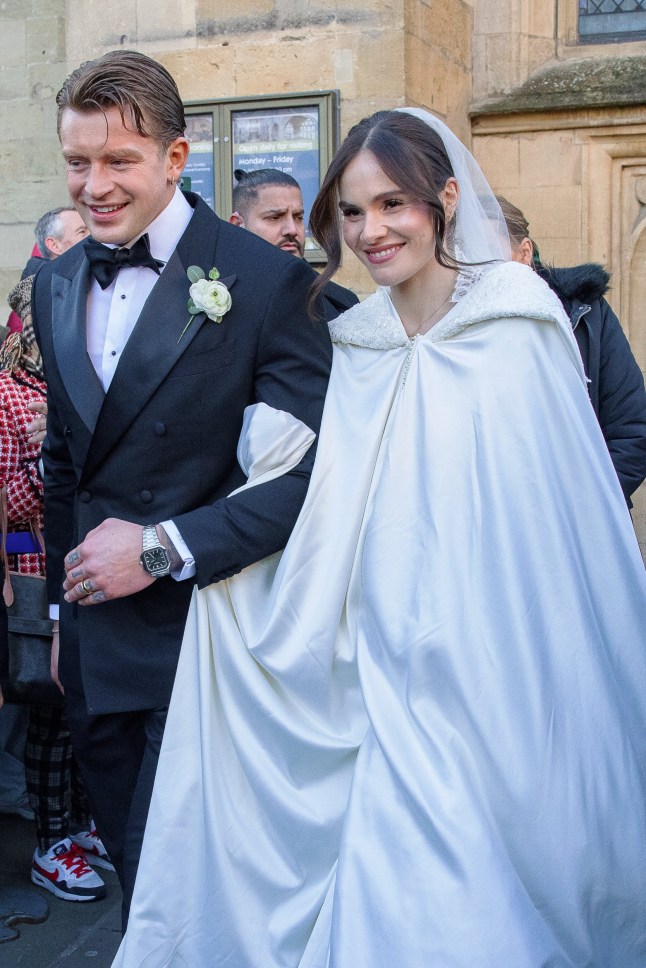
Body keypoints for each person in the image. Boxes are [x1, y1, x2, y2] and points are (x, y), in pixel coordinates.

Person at [114, 107, 646, 968]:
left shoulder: (517, 317)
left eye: (392, 204)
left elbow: (558, 500)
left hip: (495, 647)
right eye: (354, 212)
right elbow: (335, 499)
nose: (371, 232)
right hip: (381, 647)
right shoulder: (356, 340)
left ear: (445, 200)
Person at [30, 50, 333, 925]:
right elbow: (63, 465)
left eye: (118, 161)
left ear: (175, 157)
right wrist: (61, 618)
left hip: (212, 636)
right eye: (78, 162)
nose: (94, 186)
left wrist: (161, 549)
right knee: (139, 883)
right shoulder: (55, 281)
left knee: (195, 886)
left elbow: (314, 477)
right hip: (96, 645)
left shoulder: (269, 281)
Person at [1, 278, 111, 902]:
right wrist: (47, 460)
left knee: (85, 710)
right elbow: (11, 507)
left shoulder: (78, 385)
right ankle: (50, 843)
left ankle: (81, 822)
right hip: (36, 566)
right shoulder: (8, 396)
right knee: (50, 711)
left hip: (92, 564)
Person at [498, 194, 646, 506]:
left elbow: (631, 431)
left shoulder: (586, 313)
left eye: (488, 254)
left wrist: (580, 512)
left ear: (524, 252)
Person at [230, 168, 358, 317]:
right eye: (275, 217)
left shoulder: (342, 304)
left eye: (298, 217)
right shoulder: (217, 300)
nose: (292, 230)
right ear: (237, 225)